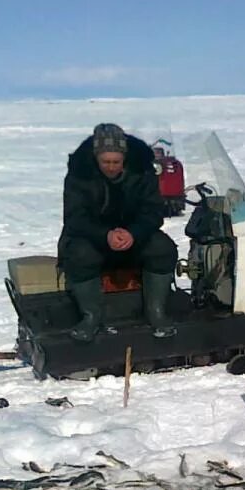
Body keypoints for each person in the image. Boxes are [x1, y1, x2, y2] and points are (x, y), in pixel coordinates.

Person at [58, 123, 178, 342]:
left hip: (133, 237)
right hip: (92, 238)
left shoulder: (142, 170)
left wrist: (133, 233)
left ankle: (156, 312)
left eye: (116, 162)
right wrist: (105, 235)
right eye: (105, 162)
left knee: (163, 249)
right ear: (96, 158)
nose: (111, 167)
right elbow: (74, 218)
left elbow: (153, 212)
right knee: (79, 255)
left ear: (125, 158)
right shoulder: (79, 174)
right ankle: (91, 316)